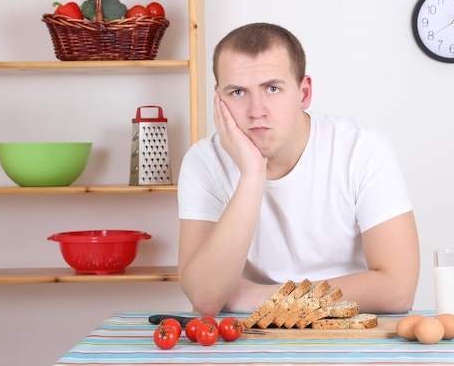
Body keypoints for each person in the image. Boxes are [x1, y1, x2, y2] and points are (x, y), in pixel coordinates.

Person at [177, 22, 419, 316]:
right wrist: (253, 174)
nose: (256, 111)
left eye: (273, 88)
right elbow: (205, 297)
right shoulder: (203, 161)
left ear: (304, 93)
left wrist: (261, 298)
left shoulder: (361, 149)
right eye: (238, 92)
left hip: (347, 329)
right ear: (219, 99)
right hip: (246, 338)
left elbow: (397, 290)